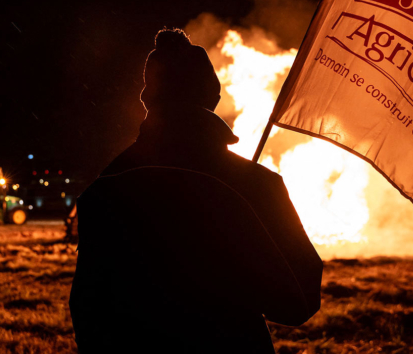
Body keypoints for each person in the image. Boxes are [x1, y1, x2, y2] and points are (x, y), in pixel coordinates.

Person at [69, 28, 322, 353]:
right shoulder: (253, 184)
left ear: (148, 99)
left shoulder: (105, 186)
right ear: (211, 96)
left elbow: (88, 309)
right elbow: (299, 303)